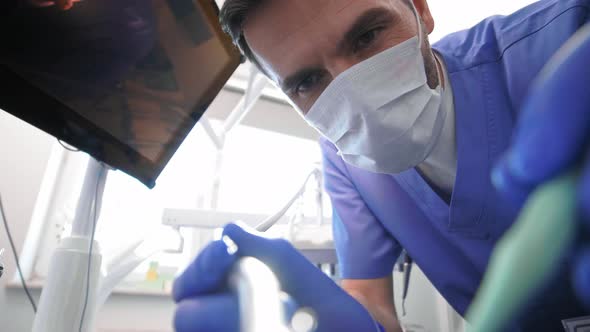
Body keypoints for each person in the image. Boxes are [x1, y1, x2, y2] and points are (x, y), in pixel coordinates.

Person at [173, 0, 590, 331]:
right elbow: (369, 299)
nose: (354, 92)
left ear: (420, 9)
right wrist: (330, 319)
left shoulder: (563, 41)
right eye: (306, 82)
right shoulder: (345, 162)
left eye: (368, 36)